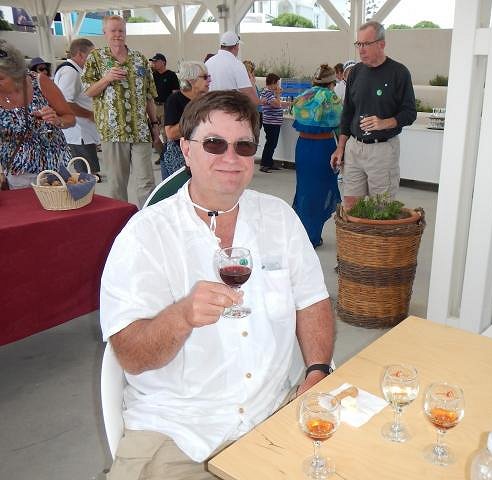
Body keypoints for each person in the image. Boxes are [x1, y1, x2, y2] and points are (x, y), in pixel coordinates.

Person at [100, 90, 334, 479]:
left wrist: (318, 369)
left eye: (244, 146)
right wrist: (181, 317)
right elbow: (132, 357)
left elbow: (312, 301)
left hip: (275, 412)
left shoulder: (278, 218)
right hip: (180, 429)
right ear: (186, 150)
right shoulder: (145, 235)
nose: (231, 157)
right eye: (214, 143)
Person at [331, 21, 417, 209]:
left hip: (383, 151)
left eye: (366, 44)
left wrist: (384, 123)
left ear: (381, 44)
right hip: (354, 148)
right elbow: (348, 112)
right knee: (351, 205)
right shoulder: (355, 72)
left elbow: (410, 113)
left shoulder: (399, 73)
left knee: (381, 208)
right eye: (358, 44)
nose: (361, 50)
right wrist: (341, 147)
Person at [82, 15, 160, 207]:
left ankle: (147, 218)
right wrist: (106, 79)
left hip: (140, 130)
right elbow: (88, 91)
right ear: (104, 32)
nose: (118, 34)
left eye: (121, 30)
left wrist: (155, 124)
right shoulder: (96, 58)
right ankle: (120, 221)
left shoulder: (139, 59)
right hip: (112, 132)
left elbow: (149, 95)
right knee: (117, 184)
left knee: (146, 182)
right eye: (113, 30)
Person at [1, 40, 75, 189]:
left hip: (53, 169)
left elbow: (70, 118)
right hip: (16, 174)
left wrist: (57, 120)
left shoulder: (40, 82)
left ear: (15, 73)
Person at [292, 64, 342, 248]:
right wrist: (342, 150)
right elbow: (340, 125)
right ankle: (313, 234)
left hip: (303, 147)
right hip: (323, 147)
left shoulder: (303, 96)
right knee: (321, 189)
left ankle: (304, 233)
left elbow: (294, 115)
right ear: (331, 82)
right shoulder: (332, 99)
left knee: (304, 189)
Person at [53, 38, 102, 176]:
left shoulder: (75, 71)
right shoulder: (70, 72)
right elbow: (65, 103)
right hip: (79, 133)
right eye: (92, 55)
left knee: (89, 172)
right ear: (80, 54)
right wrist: (90, 115)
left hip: (83, 132)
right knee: (87, 174)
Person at [161, 61, 210, 179]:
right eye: (205, 77)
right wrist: (196, 116)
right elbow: (170, 133)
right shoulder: (175, 100)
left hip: (199, 156)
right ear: (191, 80)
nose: (209, 80)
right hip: (178, 158)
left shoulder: (205, 100)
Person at [204, 31, 259, 106]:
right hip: (230, 109)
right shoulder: (237, 64)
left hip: (210, 108)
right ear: (236, 46)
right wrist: (258, 101)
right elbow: (250, 96)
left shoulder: (208, 63)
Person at [149, 52, 180, 157]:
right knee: (154, 132)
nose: (154, 64)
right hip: (154, 105)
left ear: (163, 62)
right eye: (153, 62)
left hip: (165, 106)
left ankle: (168, 155)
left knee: (165, 132)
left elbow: (175, 92)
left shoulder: (171, 75)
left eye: (156, 61)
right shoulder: (153, 75)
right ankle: (162, 154)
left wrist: (173, 107)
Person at [259, 73, 286, 173]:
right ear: (273, 82)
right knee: (270, 143)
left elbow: (278, 104)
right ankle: (264, 164)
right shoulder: (267, 93)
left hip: (274, 122)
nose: (278, 86)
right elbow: (277, 104)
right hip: (270, 122)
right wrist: (278, 94)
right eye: (277, 83)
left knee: (272, 144)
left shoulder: (270, 93)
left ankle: (269, 162)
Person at [243, 59, 262, 129]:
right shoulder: (248, 84)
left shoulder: (250, 83)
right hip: (252, 113)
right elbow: (255, 99)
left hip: (256, 112)